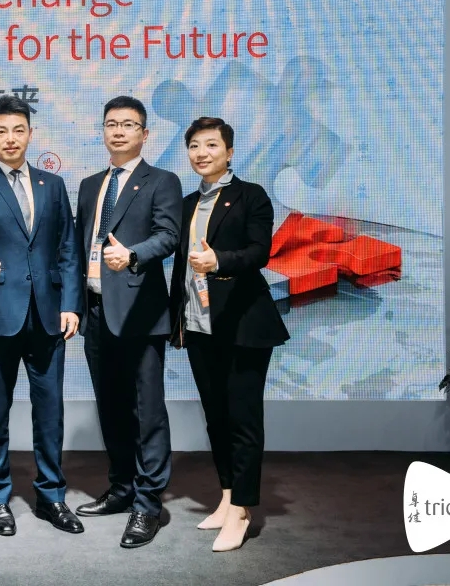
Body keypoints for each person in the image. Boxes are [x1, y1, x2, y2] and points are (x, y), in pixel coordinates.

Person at [0, 95, 84, 537]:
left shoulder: (53, 184)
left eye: (18, 130)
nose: (10, 139)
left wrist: (70, 303)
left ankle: (51, 496)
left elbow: (68, 247)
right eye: (1, 131)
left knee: (50, 411)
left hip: (48, 316)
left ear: (30, 133)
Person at [169, 116, 290, 552]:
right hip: (199, 324)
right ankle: (225, 497)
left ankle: (242, 509)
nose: (202, 153)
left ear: (229, 151)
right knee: (216, 417)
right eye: (194, 146)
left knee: (243, 419)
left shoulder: (250, 195)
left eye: (211, 145)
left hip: (243, 325)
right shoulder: (186, 204)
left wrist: (218, 260)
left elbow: (259, 252)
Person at [74, 96, 183, 548]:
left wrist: (133, 255)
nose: (118, 131)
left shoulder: (162, 181)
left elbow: (168, 236)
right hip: (96, 312)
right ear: (102, 131)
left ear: (144, 134)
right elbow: (78, 247)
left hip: (140, 313)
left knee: (147, 412)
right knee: (112, 407)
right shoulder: (89, 185)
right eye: (111, 124)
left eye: (128, 124)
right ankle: (121, 488)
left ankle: (147, 503)